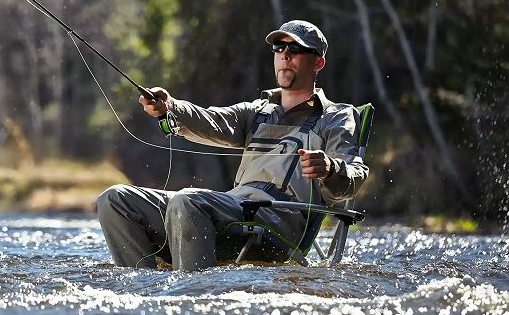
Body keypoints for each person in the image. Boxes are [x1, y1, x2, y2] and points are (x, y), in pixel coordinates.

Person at [96, 20, 369, 270]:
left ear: (318, 63)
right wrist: (170, 106)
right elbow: (210, 120)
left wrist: (330, 168)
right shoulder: (256, 112)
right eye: (279, 47)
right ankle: (144, 295)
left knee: (188, 200)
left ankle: (188, 296)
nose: (285, 54)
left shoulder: (336, 116)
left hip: (278, 224)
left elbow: (354, 174)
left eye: (296, 49)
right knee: (115, 199)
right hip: (235, 208)